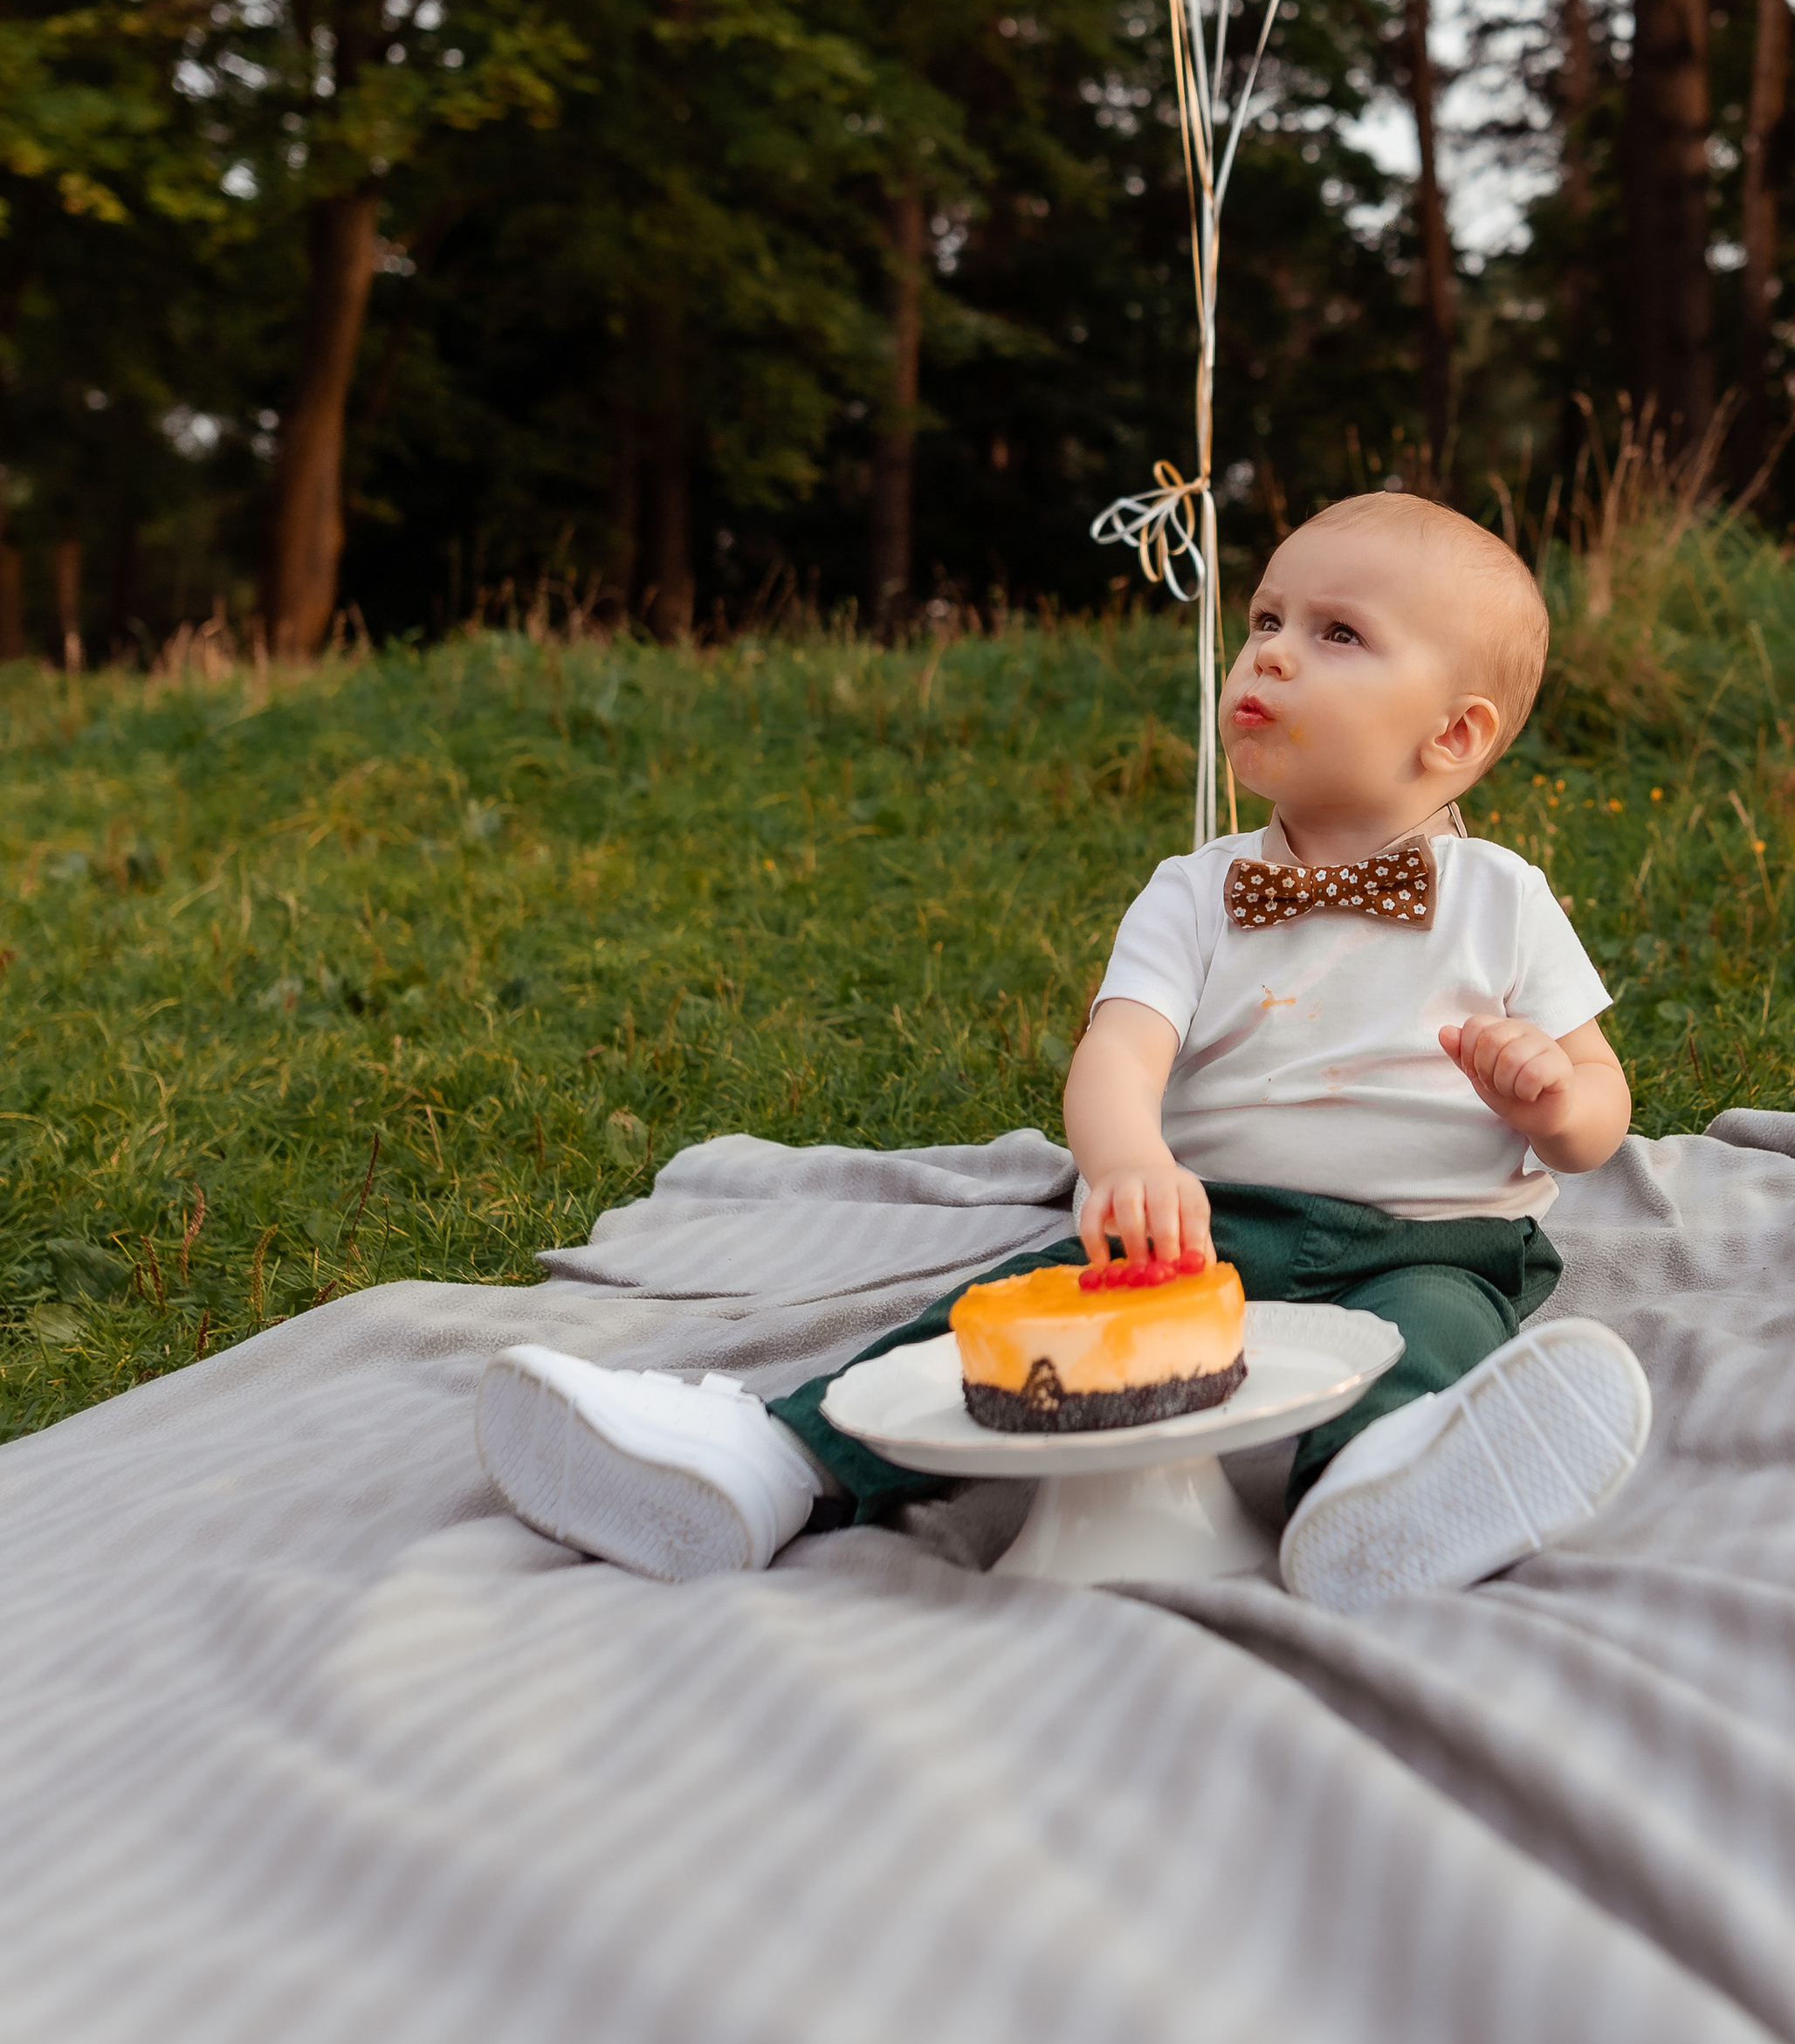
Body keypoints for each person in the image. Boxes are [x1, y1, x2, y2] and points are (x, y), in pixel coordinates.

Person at [475, 493, 1652, 1611]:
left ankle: (1379, 1493)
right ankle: (770, 1461)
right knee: (1001, 1326)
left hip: (1435, 1236)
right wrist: (1128, 1155)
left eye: (1337, 633)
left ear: (1453, 734)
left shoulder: (1498, 897)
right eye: (1267, 621)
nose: (1272, 654)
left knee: (1434, 1336)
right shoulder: (1196, 893)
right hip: (1207, 1222)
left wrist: (1550, 1100)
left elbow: (1601, 1108)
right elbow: (1118, 1052)